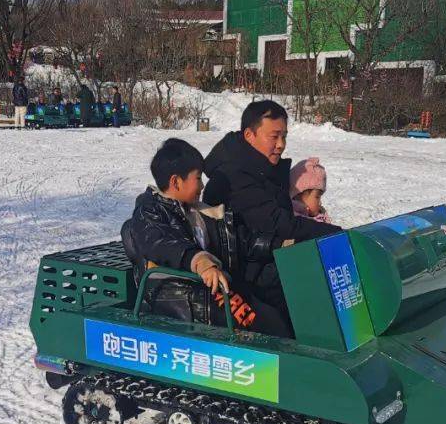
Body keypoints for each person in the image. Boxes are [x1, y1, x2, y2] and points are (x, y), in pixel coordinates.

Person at [122, 138, 290, 336]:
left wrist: (279, 244)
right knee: (264, 327)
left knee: (276, 313)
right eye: (198, 178)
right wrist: (200, 261)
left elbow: (239, 239)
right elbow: (163, 244)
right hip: (183, 295)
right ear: (176, 181)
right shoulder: (149, 214)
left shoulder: (199, 212)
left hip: (213, 287)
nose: (202, 186)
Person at [203, 100, 340, 326]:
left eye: (284, 136)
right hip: (245, 272)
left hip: (269, 260)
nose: (281, 144)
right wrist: (334, 232)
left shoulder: (262, 167)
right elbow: (279, 222)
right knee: (313, 298)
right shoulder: (235, 176)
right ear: (249, 135)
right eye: (274, 136)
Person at [289, 157, 332, 224]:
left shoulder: (321, 216)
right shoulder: (293, 221)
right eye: (317, 197)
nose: (320, 203)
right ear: (298, 195)